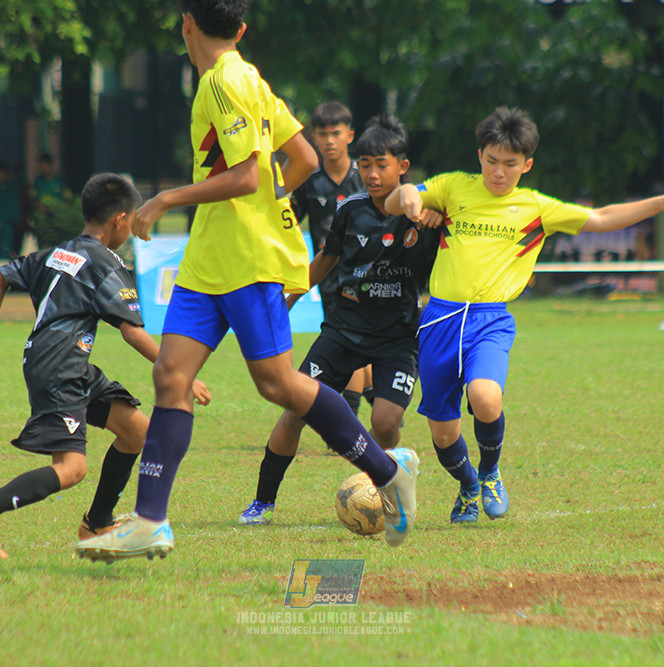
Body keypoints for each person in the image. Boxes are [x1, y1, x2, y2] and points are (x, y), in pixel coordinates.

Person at [74, 0, 419, 563]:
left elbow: (248, 174)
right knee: (170, 374)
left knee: (278, 384)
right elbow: (303, 157)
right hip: (210, 255)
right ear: (240, 28)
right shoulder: (248, 78)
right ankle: (151, 522)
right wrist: (268, 201)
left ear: (187, 22)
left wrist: (167, 198)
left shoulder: (223, 82)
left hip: (245, 260)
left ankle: (387, 471)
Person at [386, 107, 664, 523]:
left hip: (489, 320)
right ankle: (468, 486)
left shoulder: (535, 207)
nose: (499, 172)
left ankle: (491, 471)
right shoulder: (453, 188)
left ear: (526, 165)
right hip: (440, 321)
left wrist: (662, 202)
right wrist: (406, 193)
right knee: (443, 435)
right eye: (492, 161)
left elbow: (601, 219)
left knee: (485, 396)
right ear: (480, 156)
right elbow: (395, 201)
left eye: (510, 165)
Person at [0, 172, 211, 559]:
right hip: (60, 366)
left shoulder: (60, 251)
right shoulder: (106, 264)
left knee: (137, 431)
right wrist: (184, 374)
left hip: (61, 361)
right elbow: (133, 333)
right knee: (72, 469)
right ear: (121, 219)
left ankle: (97, 523)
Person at [238, 114, 441, 526]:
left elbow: (425, 218)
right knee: (295, 409)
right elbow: (324, 262)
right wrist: (287, 301)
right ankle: (262, 502)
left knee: (385, 423)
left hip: (397, 338)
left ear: (402, 166)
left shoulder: (427, 214)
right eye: (364, 165)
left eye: (380, 165)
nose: (370, 173)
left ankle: (390, 481)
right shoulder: (349, 211)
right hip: (343, 330)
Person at [290, 101, 369, 414]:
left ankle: (348, 422)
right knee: (355, 343)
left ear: (350, 135)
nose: (329, 141)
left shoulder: (366, 175)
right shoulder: (309, 180)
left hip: (368, 274)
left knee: (351, 342)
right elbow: (289, 221)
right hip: (327, 275)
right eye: (322, 134)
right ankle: (379, 411)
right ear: (313, 138)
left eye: (336, 133)